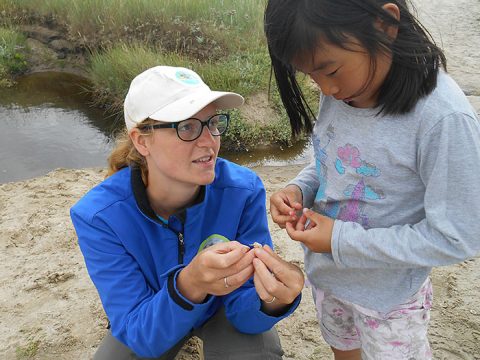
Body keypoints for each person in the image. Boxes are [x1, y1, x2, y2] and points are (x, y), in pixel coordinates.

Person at [264, 1, 480, 359]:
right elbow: (332, 159)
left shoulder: (443, 120)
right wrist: (299, 189)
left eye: (329, 70)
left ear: (385, 24)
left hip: (389, 299)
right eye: (310, 75)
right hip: (330, 278)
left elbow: (459, 236)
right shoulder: (344, 87)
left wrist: (339, 239)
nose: (326, 89)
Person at [70, 65, 304, 359]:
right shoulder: (99, 217)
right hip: (153, 308)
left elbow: (247, 310)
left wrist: (271, 302)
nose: (210, 141)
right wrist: (189, 285)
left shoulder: (244, 191)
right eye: (187, 127)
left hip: (224, 308)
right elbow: (139, 335)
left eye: (213, 123)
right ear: (142, 140)